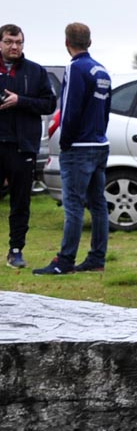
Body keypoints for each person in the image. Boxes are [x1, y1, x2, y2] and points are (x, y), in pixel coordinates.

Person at [34, 23, 111, 275]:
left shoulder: (75, 68)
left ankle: (65, 260)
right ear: (89, 41)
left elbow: (70, 108)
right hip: (100, 143)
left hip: (78, 147)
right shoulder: (101, 70)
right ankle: (97, 257)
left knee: (74, 205)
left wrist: (65, 141)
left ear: (67, 42)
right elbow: (106, 109)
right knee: (98, 204)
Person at [0, 24, 57, 269]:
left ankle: (16, 250)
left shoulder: (35, 72)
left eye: (19, 42)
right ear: (0, 43)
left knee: (20, 201)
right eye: (10, 42)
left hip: (22, 146)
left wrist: (20, 101)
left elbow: (49, 104)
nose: (15, 47)